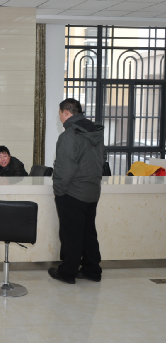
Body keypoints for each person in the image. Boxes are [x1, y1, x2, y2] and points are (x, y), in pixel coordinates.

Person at [49, 98, 105, 284]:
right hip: (92, 191)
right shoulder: (95, 132)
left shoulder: (69, 135)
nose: (60, 118)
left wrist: (59, 191)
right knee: (88, 233)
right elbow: (101, 160)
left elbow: (64, 168)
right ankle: (92, 270)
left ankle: (67, 272)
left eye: (60, 114)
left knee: (71, 235)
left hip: (73, 193)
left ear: (66, 112)